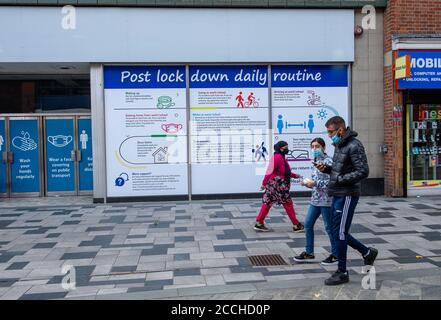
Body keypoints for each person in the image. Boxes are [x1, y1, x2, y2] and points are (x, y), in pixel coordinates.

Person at [316, 116, 378, 285]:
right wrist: (327, 169)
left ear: (340, 130)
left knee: (340, 232)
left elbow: (363, 171)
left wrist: (341, 179)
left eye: (331, 132)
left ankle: (342, 271)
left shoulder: (354, 145)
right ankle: (367, 253)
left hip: (347, 194)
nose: (329, 135)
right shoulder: (339, 144)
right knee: (337, 232)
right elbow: (339, 170)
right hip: (337, 192)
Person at [294, 138, 338, 265]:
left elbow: (332, 181)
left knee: (329, 228)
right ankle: (309, 252)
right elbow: (316, 181)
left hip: (327, 201)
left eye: (317, 146)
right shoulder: (315, 161)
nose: (314, 149)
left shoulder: (329, 161)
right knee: (307, 224)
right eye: (312, 146)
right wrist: (308, 184)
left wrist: (315, 183)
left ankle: (336, 254)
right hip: (315, 199)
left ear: (323, 147)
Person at [254, 141, 304, 233]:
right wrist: (263, 184)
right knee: (288, 204)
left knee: (268, 202)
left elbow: (283, 171)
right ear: (280, 148)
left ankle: (259, 223)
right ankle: (296, 225)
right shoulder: (277, 157)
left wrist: (295, 175)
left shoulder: (280, 157)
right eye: (285, 147)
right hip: (279, 186)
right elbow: (269, 171)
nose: (287, 149)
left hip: (274, 185)